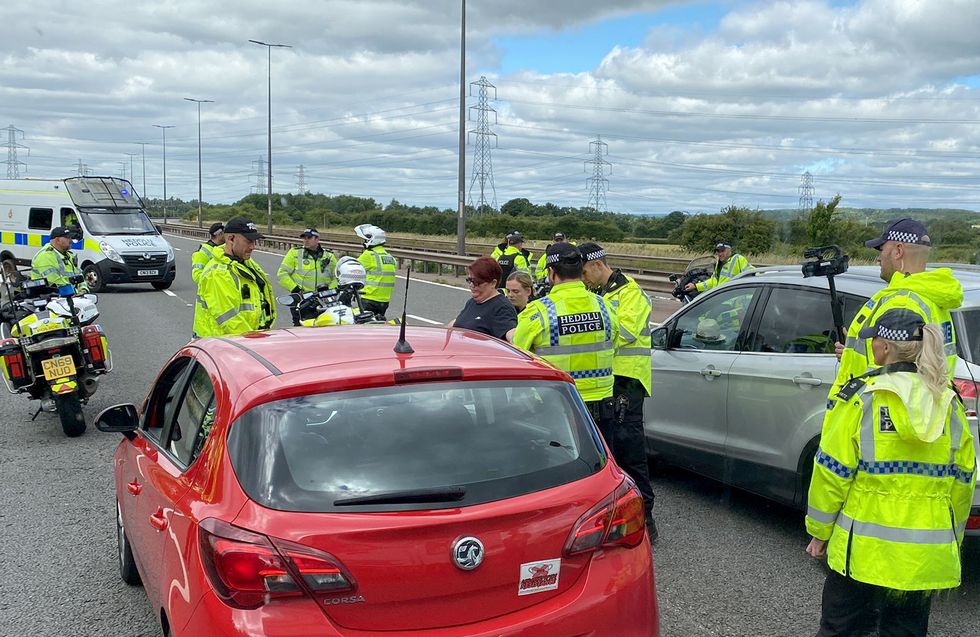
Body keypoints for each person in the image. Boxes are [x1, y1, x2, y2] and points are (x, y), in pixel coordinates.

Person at [805, 309, 976, 637]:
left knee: (842, 628)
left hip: (862, 553)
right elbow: (963, 481)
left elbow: (832, 472)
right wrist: (950, 536)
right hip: (923, 553)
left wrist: (819, 531)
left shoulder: (862, 397)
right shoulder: (949, 403)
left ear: (883, 346)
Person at [510, 245, 626, 527]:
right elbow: (615, 343)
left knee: (558, 482)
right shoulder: (605, 306)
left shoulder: (539, 312)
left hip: (555, 409)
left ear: (550, 273)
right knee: (600, 477)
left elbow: (516, 355)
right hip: (601, 407)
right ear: (580, 271)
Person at [831, 218, 963, 398]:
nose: (878, 258)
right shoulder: (931, 298)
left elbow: (891, 368)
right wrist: (851, 354)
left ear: (898, 251)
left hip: (883, 412)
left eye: (881, 249)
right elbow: (904, 357)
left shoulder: (902, 303)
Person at [580, 241, 657, 541]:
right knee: (609, 450)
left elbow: (623, 333)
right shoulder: (598, 293)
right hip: (607, 379)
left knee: (630, 450)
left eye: (585, 271)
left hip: (628, 381)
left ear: (598, 265)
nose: (583, 277)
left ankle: (646, 516)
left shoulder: (630, 292)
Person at [194, 217, 276, 338]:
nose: (253, 246)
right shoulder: (217, 273)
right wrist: (253, 342)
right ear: (231, 239)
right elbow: (231, 321)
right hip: (221, 345)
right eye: (249, 241)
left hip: (243, 340)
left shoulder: (246, 263)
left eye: (255, 242)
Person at [277, 228, 337, 326]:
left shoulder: (329, 256)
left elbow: (336, 276)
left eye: (309, 238)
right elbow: (282, 274)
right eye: (304, 238)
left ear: (317, 239)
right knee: (301, 329)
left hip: (323, 300)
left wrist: (330, 291)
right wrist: (295, 289)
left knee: (325, 328)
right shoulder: (295, 253)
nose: (306, 240)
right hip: (302, 300)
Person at [448, 257, 518, 339]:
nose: (471, 285)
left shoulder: (502, 308)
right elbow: (455, 324)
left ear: (493, 283)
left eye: (476, 282)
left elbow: (512, 335)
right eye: (469, 280)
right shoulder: (472, 302)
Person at [355, 223, 397, 318]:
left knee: (364, 326)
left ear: (371, 239)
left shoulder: (369, 255)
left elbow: (352, 269)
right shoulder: (390, 258)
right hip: (384, 301)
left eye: (365, 239)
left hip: (369, 298)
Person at [31, 226, 88, 291]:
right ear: (57, 240)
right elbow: (54, 282)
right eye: (67, 238)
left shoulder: (67, 254)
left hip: (68, 296)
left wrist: (83, 289)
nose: (71, 240)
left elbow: (79, 275)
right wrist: (77, 292)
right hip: (52, 297)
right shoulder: (46, 256)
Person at [684, 243, 753, 294]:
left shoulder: (738, 259)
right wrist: (696, 286)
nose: (720, 254)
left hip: (732, 302)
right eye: (718, 251)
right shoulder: (719, 264)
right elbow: (713, 281)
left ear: (729, 250)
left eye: (722, 251)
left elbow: (752, 273)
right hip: (719, 298)